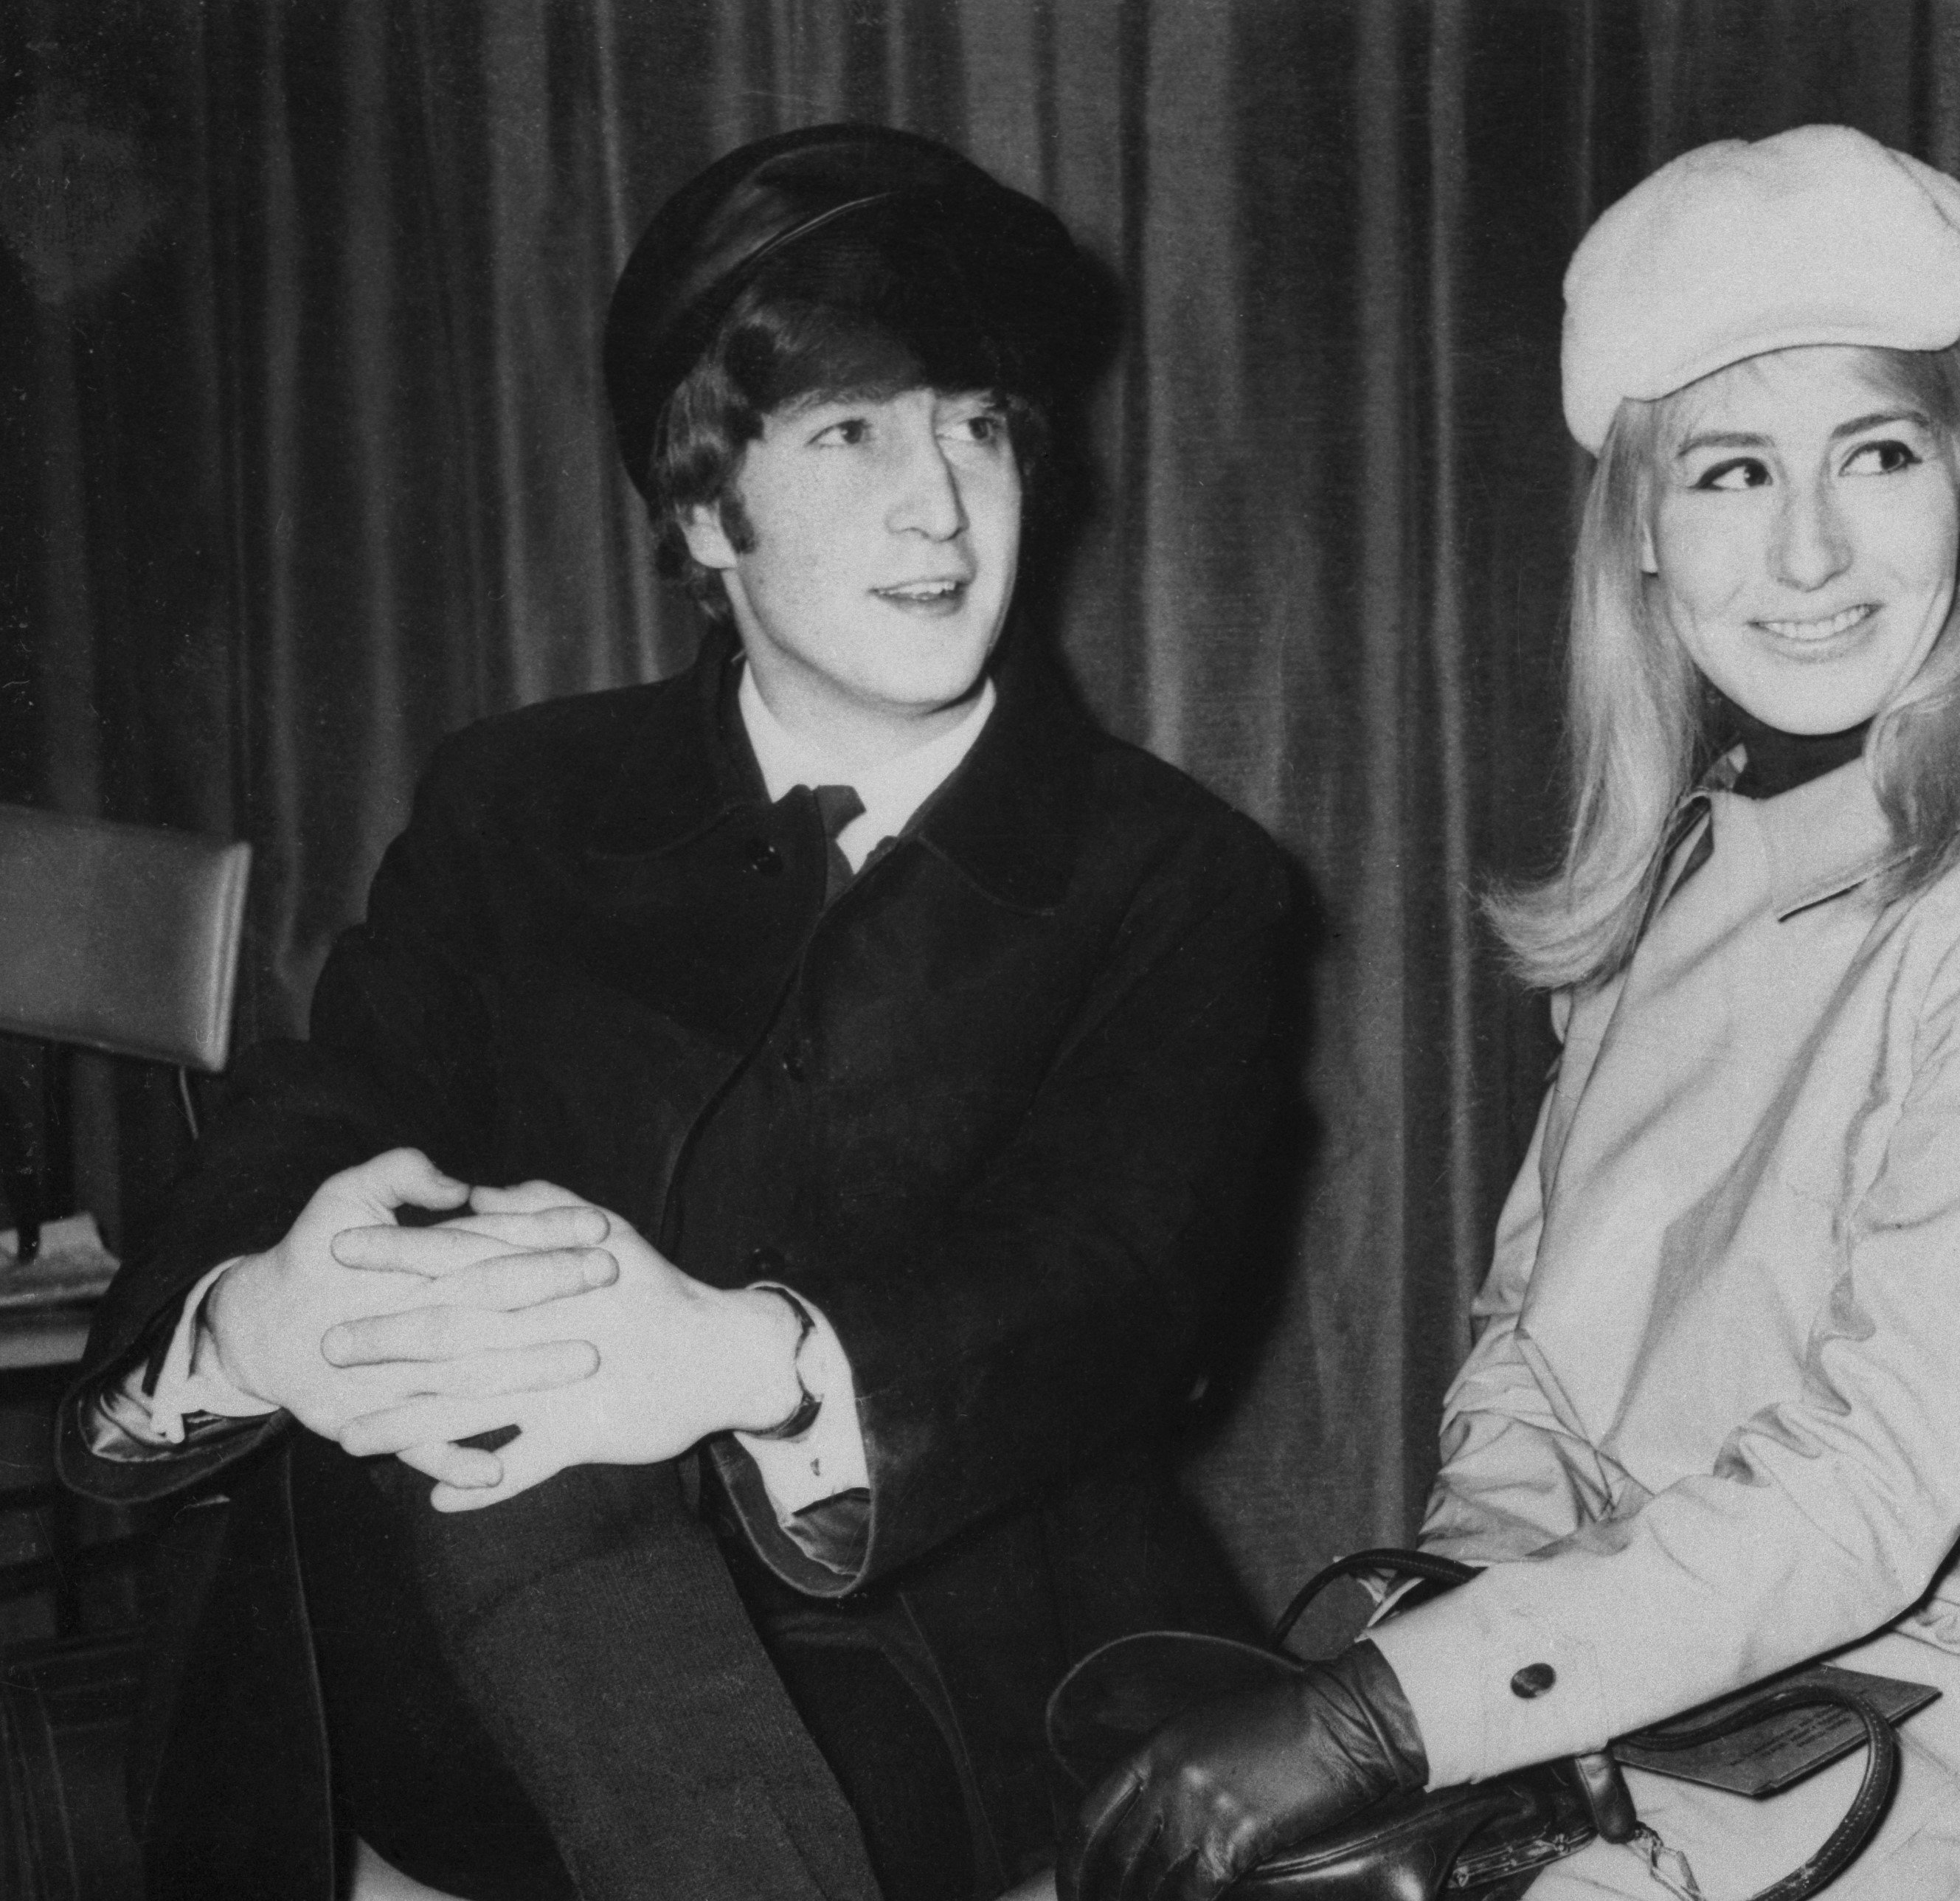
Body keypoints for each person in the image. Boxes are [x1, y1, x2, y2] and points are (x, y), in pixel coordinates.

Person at [58, 124, 1290, 1901]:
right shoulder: (515, 799)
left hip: (940, 1665)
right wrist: (261, 1314)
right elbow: (321, 1114)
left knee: (526, 1395)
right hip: (461, 1639)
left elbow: (1116, 1285)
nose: (939, 502)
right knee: (497, 1377)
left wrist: (731, 1357)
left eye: (976, 423)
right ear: (708, 507)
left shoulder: (1177, 877)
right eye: (853, 429)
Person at [1059, 125, 1960, 1901]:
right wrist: (1457, 1640)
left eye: (1875, 453)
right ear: (1639, 535)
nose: (1806, 551)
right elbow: (1534, 1362)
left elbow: (1868, 1488)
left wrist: (1390, 1723)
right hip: (1666, 1712)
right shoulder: (1693, 876)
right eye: (1726, 473)